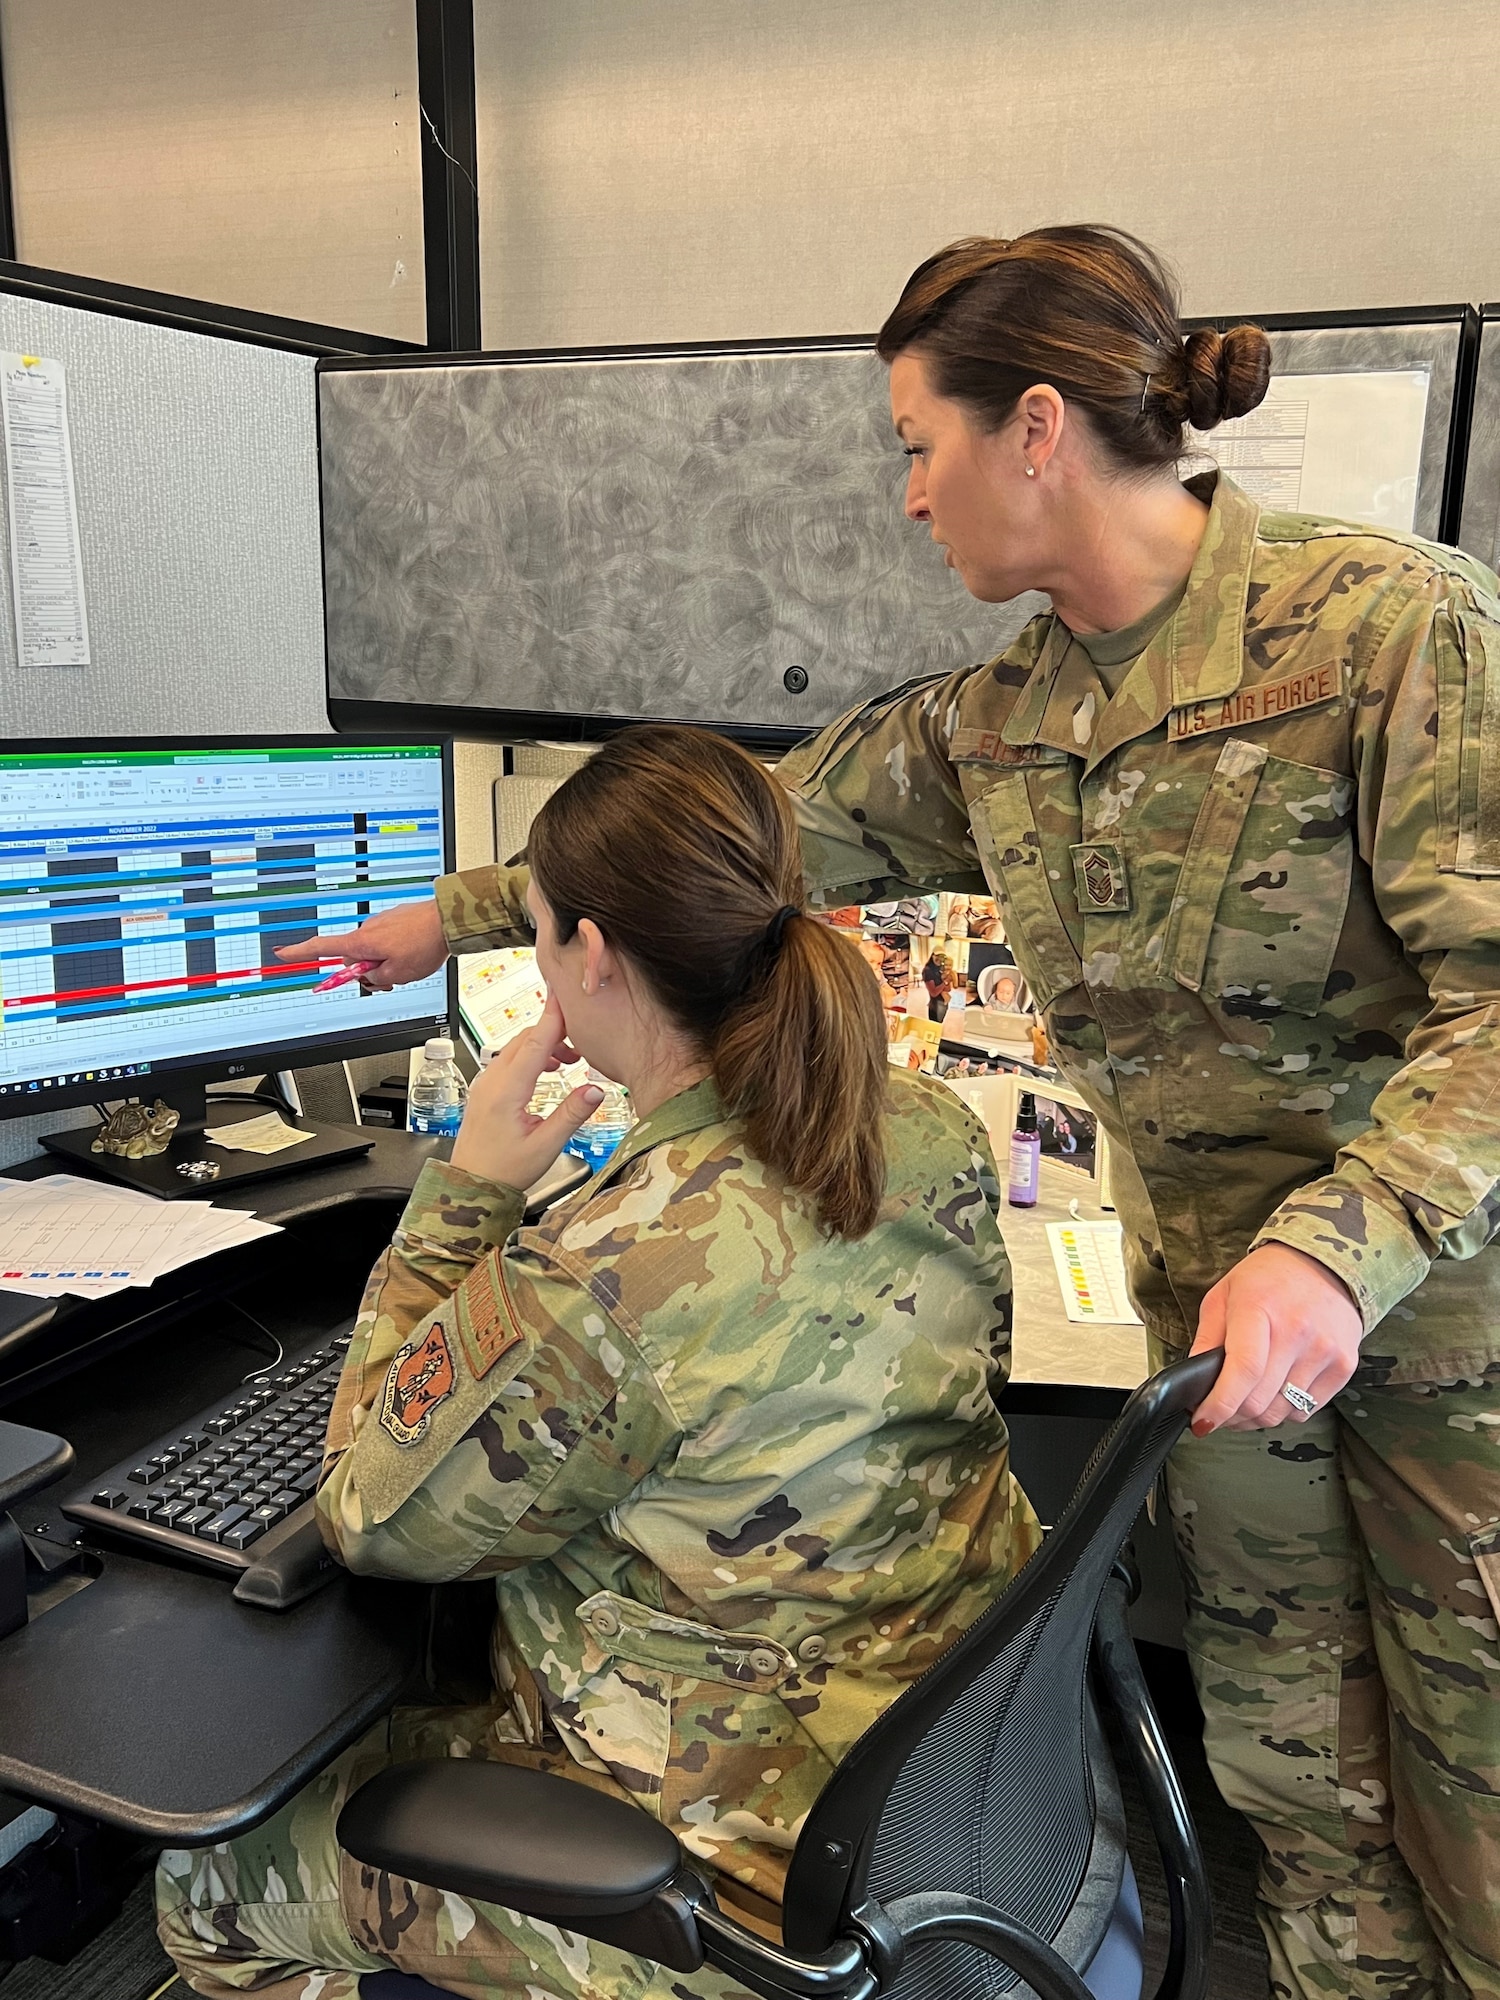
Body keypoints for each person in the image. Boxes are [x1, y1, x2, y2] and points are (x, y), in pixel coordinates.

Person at [291, 226, 1500, 2000]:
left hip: (1442, 1323)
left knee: (1478, 1800)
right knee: (1297, 1791)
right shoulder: (999, 716)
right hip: (1225, 1345)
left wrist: (1334, 1252)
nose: (908, 500)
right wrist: (456, 913)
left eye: (915, 445)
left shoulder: (1393, 630)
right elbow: (744, 846)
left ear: (1033, 432)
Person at [162, 725, 1040, 2000]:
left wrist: (463, 1195)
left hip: (720, 1877)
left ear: (590, 953)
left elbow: (364, 1503)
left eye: (534, 927)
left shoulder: (607, 1271)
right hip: (935, 1782)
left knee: (206, 1877)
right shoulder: (925, 1127)